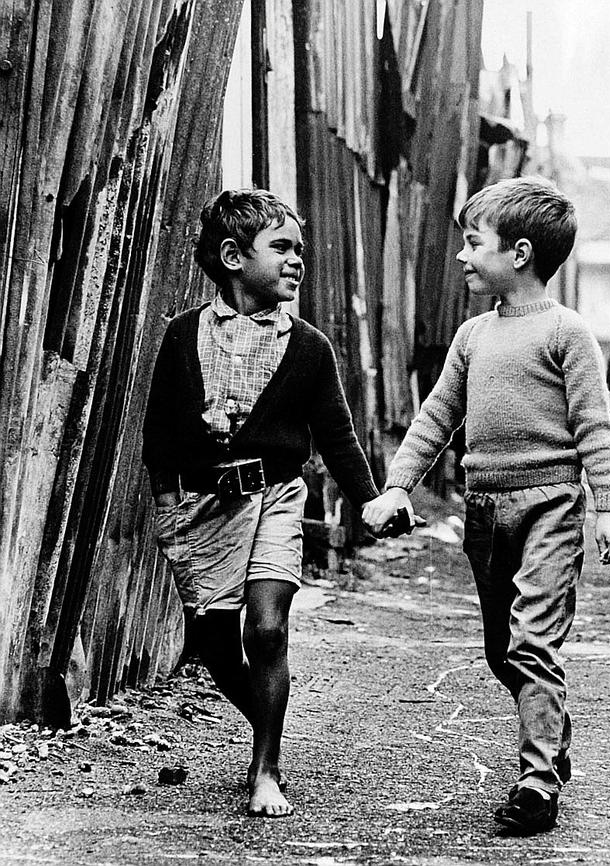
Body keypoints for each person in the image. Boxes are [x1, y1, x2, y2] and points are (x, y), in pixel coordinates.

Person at [363, 177, 610, 835]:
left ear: (517, 253)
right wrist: (397, 485)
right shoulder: (472, 337)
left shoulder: (568, 334)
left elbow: (593, 424)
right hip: (483, 509)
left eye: (471, 242)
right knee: (502, 651)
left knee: (533, 638)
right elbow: (436, 416)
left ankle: (537, 783)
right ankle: (551, 728)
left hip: (551, 508)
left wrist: (608, 507)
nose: (460, 255)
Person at [142, 188, 380, 818]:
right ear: (231, 256)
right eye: (281, 248)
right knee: (216, 644)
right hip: (200, 509)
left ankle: (264, 767)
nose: (297, 260)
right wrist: (171, 500)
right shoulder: (181, 336)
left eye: (300, 249)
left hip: (276, 496)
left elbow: (337, 433)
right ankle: (265, 719)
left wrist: (372, 501)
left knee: (267, 630)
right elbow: (158, 434)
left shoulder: (308, 348)